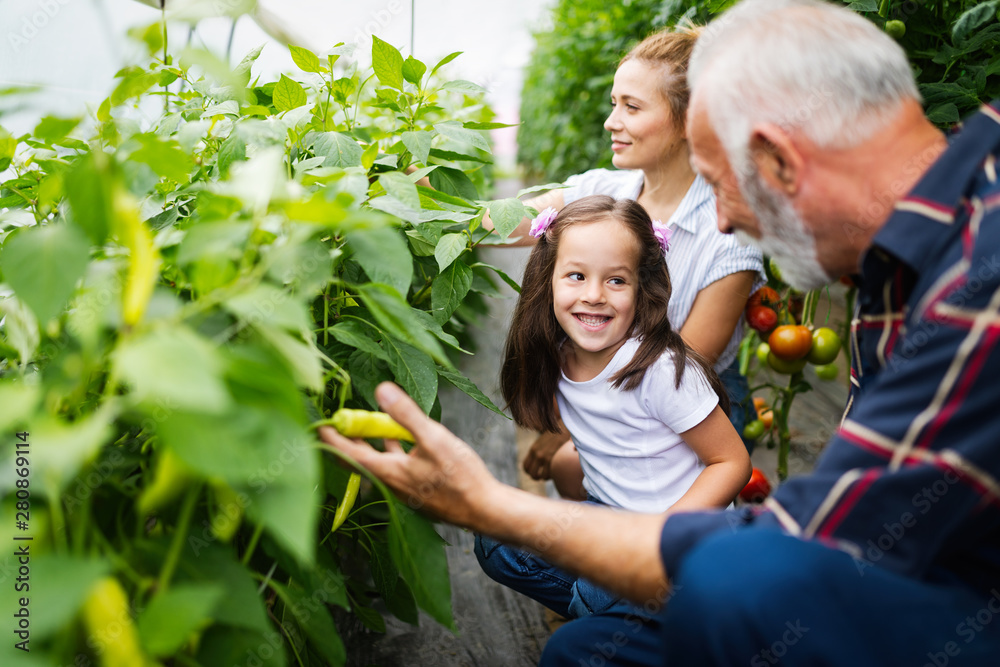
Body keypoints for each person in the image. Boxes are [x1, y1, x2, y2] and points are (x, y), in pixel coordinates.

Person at [321, 0, 1000, 664]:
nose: (726, 222)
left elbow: (812, 555)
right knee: (592, 617)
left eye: (720, 184)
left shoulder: (973, 291)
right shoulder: (925, 248)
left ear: (780, 160)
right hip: (904, 553)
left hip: (705, 451)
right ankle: (620, 598)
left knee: (676, 599)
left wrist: (492, 503)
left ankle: (625, 597)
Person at [496, 26, 763, 490]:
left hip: (693, 417)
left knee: (570, 472)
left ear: (690, 122)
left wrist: (566, 427)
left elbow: (685, 369)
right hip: (608, 392)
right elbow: (507, 222)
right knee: (569, 474)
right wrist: (422, 204)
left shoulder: (728, 233)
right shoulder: (605, 191)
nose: (611, 121)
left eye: (632, 107)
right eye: (614, 103)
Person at [478, 195, 750, 619]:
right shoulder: (557, 355)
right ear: (546, 279)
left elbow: (731, 462)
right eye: (576, 275)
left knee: (596, 592)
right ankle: (630, 618)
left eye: (616, 281)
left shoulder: (660, 370)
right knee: (497, 542)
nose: (594, 295)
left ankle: (632, 617)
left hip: (685, 538)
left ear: (643, 288)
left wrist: (659, 538)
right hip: (613, 520)